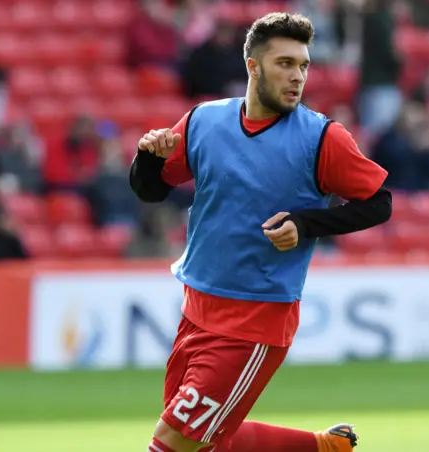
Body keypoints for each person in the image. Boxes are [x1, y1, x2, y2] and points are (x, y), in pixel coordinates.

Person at [130, 12, 392, 452]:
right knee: (206, 441)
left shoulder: (322, 137)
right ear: (253, 66)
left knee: (171, 443)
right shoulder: (203, 122)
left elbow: (379, 202)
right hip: (196, 310)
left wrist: (307, 224)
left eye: (303, 66)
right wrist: (148, 158)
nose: (297, 77)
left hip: (254, 322)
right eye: (285, 64)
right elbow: (151, 190)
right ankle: (325, 448)